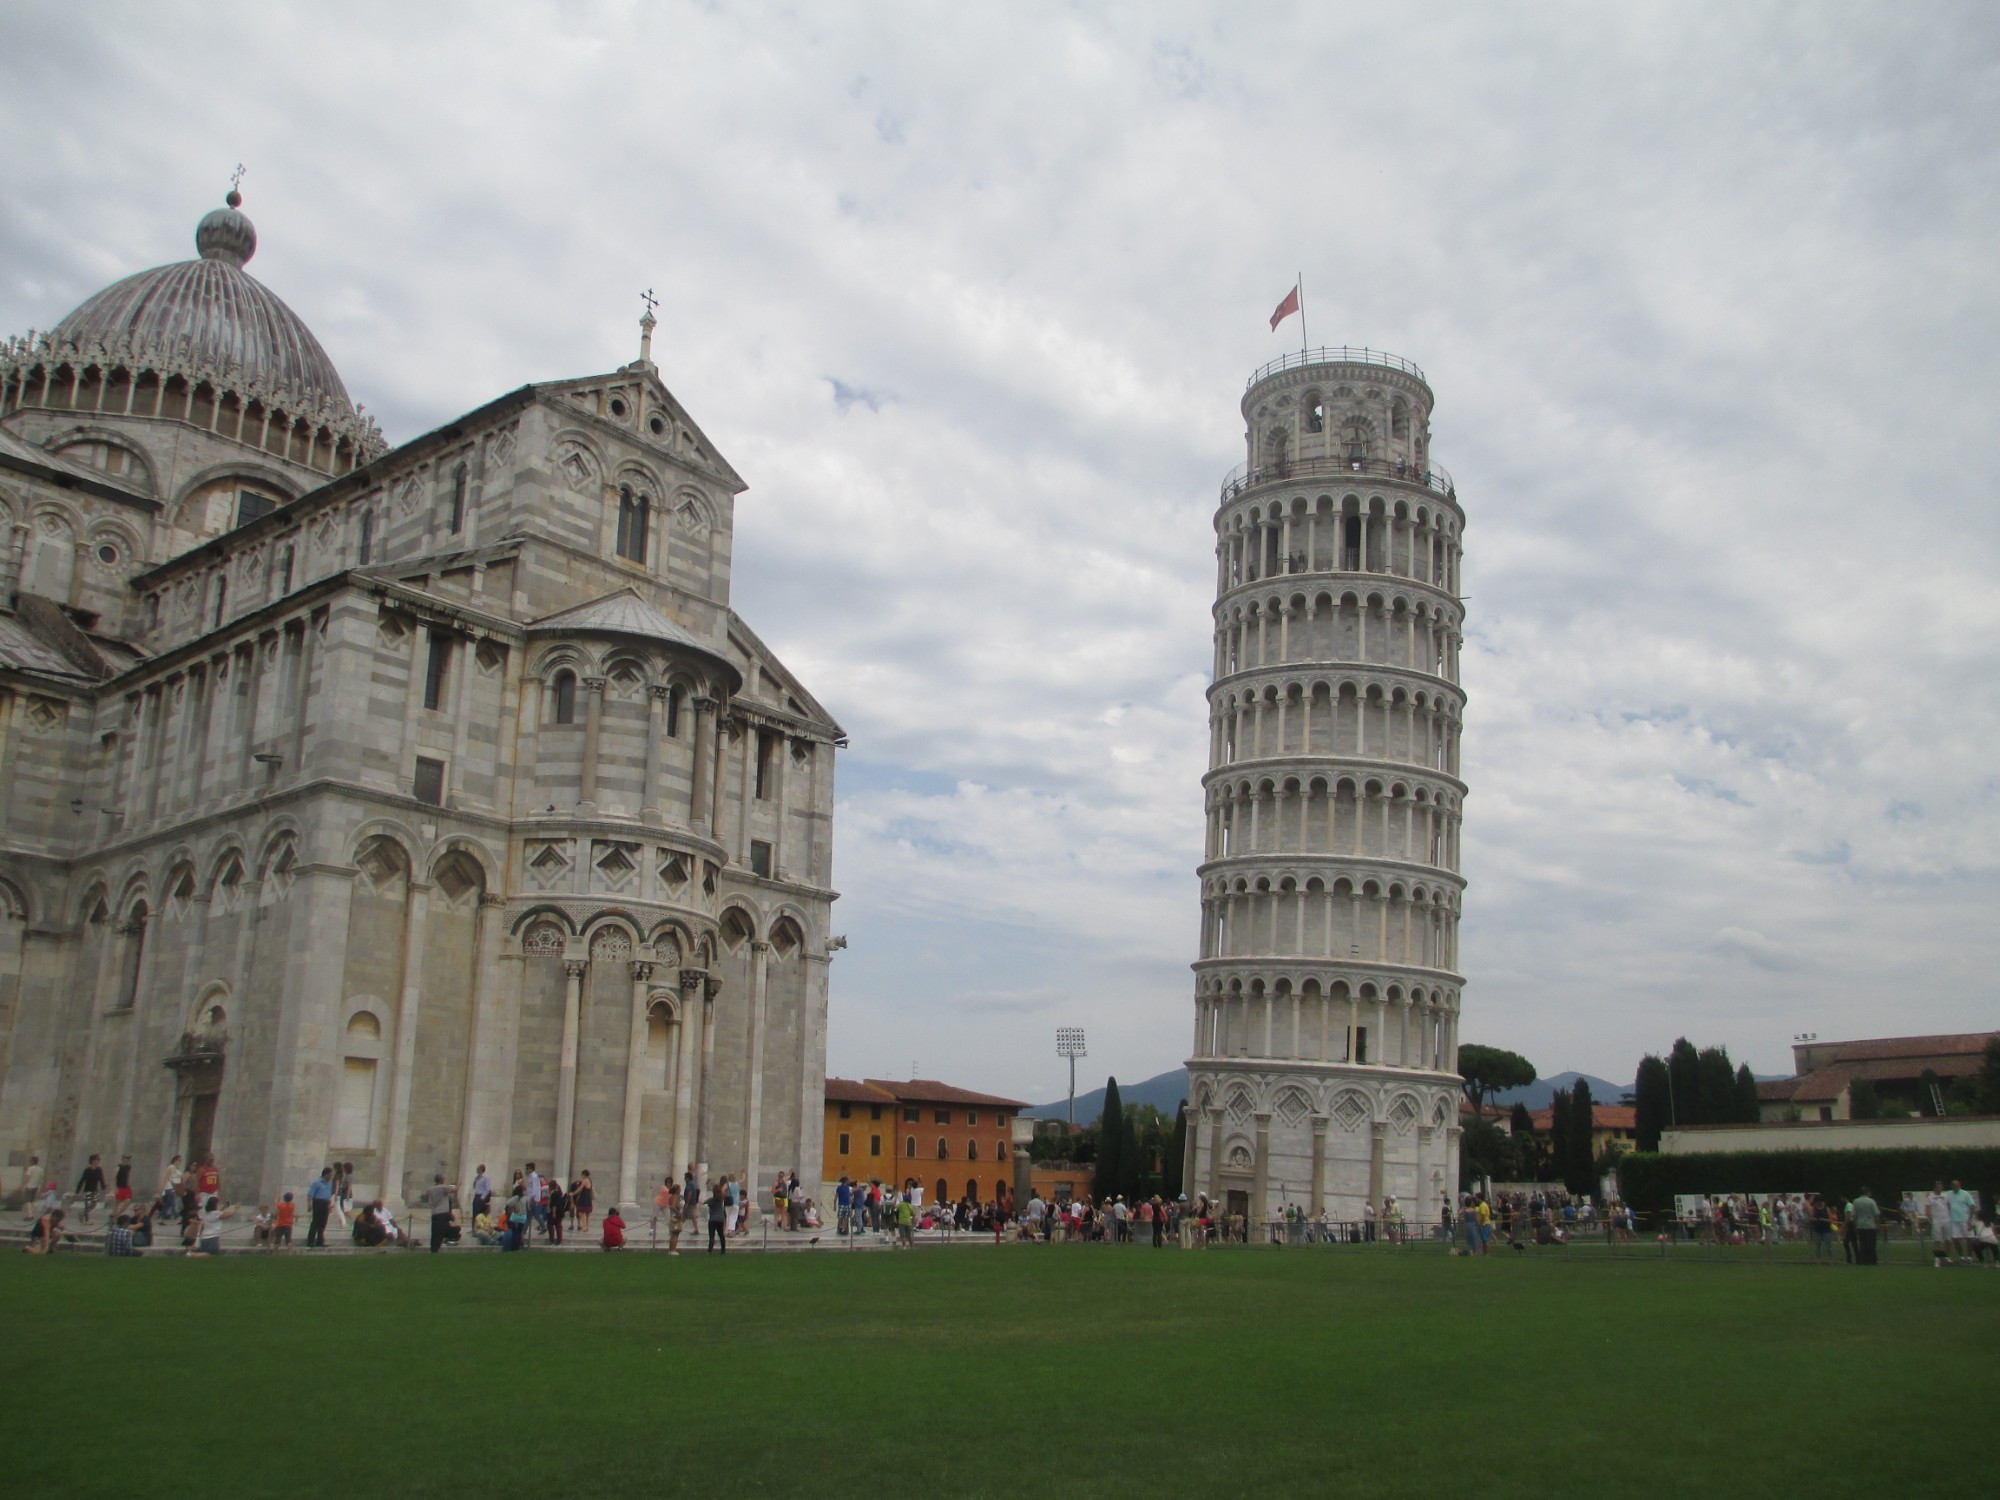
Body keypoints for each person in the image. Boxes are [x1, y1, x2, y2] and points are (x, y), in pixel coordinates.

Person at [1946, 1179, 1978, 1263]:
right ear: (1951, 1186)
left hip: (1965, 1219)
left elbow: (1972, 1206)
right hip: (1953, 1220)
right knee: (1955, 1239)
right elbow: (1946, 1204)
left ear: (1959, 1185)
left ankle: (1970, 1257)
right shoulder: (1948, 1194)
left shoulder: (1965, 1194)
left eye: (1956, 1185)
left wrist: (1970, 1220)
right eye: (1953, 1185)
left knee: (1969, 1239)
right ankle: (1961, 1256)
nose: (1955, 1187)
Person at [427, 1173, 458, 1253]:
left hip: (434, 1213)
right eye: (443, 1178)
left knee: (435, 1232)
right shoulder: (443, 1187)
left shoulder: (431, 1189)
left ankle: (433, 1248)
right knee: (441, 1232)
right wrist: (459, 1184)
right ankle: (437, 1247)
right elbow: (454, 1189)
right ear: (441, 1180)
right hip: (442, 1213)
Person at [1850, 1186, 1880, 1266]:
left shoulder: (1855, 1201)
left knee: (1862, 1245)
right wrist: (1877, 1224)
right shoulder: (1871, 1201)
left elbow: (1854, 1215)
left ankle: (1863, 1260)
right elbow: (1876, 1214)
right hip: (1870, 1225)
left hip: (1860, 1225)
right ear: (1868, 1192)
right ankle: (1872, 1261)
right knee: (1871, 1245)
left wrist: (1855, 1226)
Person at [305, 1168, 334, 1248]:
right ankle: (310, 1241)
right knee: (315, 1222)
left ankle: (320, 1241)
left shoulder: (330, 1183)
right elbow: (310, 1194)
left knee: (323, 1222)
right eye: (330, 1174)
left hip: (326, 1203)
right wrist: (309, 1204)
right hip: (318, 1202)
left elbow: (329, 1194)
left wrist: (330, 1205)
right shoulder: (317, 1183)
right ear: (326, 1174)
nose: (331, 1176)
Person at [1925, 1183, 1953, 1268]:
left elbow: (1948, 1206)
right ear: (1935, 1188)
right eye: (1939, 1187)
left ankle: (1945, 1256)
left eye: (1941, 1187)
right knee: (1937, 1240)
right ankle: (1937, 1259)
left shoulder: (1945, 1195)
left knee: (1948, 1239)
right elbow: (1927, 1209)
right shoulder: (1930, 1197)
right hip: (1937, 1220)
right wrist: (1930, 1218)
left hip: (1946, 1220)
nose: (1940, 1189)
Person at [75, 1153, 107, 1223]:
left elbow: (101, 1179)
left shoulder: (99, 1169)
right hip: (87, 1190)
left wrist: (103, 1188)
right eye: (97, 1159)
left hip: (94, 1190)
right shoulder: (87, 1170)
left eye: (99, 1159)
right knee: (87, 1204)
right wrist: (77, 1191)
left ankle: (82, 1214)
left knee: (94, 1204)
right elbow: (82, 1180)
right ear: (92, 1161)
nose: (98, 1161)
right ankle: (86, 1220)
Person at [706, 1181, 726, 1254]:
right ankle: (723, 1250)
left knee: (712, 1236)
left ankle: (710, 1251)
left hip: (713, 1219)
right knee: (721, 1235)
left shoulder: (711, 1200)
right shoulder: (721, 1199)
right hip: (720, 1219)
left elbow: (704, 1203)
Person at [574, 1169, 595, 1235]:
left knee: (581, 1212)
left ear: (584, 1174)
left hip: (584, 1197)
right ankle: (587, 1227)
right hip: (588, 1197)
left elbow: (580, 1188)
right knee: (587, 1213)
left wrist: (573, 1193)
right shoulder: (589, 1180)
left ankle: (584, 1227)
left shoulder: (585, 1180)